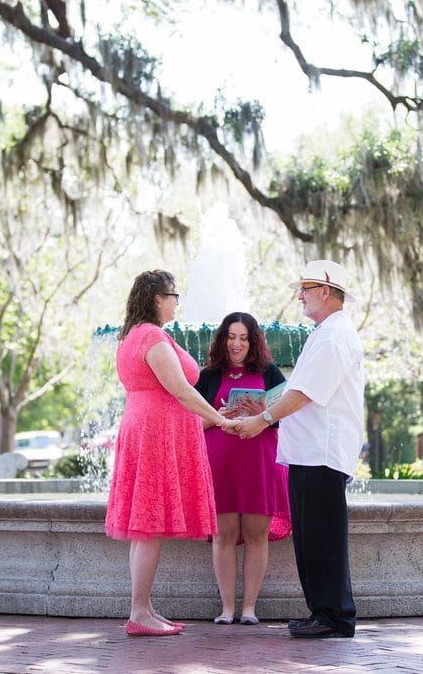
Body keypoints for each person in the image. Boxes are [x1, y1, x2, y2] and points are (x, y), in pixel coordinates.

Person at [105, 269, 241, 637]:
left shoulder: (132, 337)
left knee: (143, 529)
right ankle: (138, 612)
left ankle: (143, 608)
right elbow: (180, 390)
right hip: (155, 435)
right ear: (156, 300)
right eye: (173, 295)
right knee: (149, 528)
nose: (177, 302)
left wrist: (214, 416)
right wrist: (220, 420)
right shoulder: (152, 338)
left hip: (144, 429)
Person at [235, 260, 365, 639]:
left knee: (323, 538)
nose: (300, 296)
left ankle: (335, 616)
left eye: (305, 289)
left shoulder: (334, 335)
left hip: (322, 453)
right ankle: (322, 612)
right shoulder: (326, 332)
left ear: (325, 291)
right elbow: (299, 388)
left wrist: (263, 419)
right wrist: (267, 407)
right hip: (310, 452)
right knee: (312, 538)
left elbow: (308, 393)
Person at [195, 312, 291, 626]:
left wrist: (264, 413)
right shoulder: (207, 376)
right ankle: (226, 609)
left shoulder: (271, 373)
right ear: (223, 340)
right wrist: (218, 415)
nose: (237, 344)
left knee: (255, 534)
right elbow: (190, 423)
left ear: (253, 341)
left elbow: (286, 417)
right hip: (220, 464)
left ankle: (249, 608)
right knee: (223, 535)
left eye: (243, 338)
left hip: (259, 464)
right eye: (231, 337)